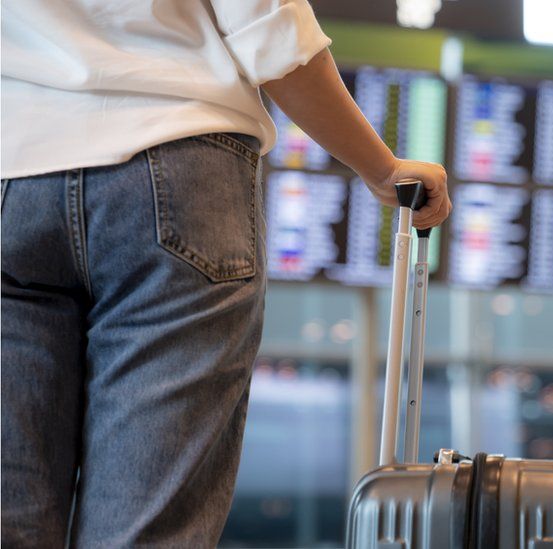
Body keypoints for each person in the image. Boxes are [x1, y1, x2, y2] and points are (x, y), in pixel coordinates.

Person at [0, 0, 451, 546]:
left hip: (11, 166)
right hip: (175, 157)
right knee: (148, 531)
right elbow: (270, 26)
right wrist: (382, 170)